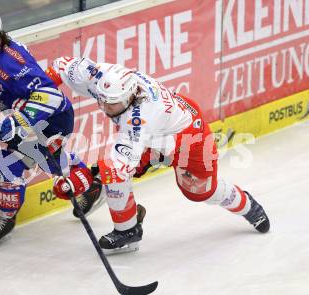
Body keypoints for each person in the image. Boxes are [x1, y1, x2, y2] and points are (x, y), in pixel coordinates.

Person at [50, 57, 270, 254]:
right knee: (113, 171)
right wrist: (40, 97)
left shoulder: (140, 119)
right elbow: (61, 65)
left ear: (129, 97)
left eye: (113, 103)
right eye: (103, 101)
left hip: (188, 139)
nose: (106, 107)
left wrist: (81, 180)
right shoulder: (100, 77)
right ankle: (128, 231)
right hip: (161, 129)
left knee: (200, 192)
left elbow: (119, 166)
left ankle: (248, 206)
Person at [0, 9, 103, 242]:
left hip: (52, 119)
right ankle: (90, 186)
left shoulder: (9, 64)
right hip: (32, 119)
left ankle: (90, 186)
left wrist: (20, 123)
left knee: (27, 161)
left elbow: (50, 96)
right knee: (17, 163)